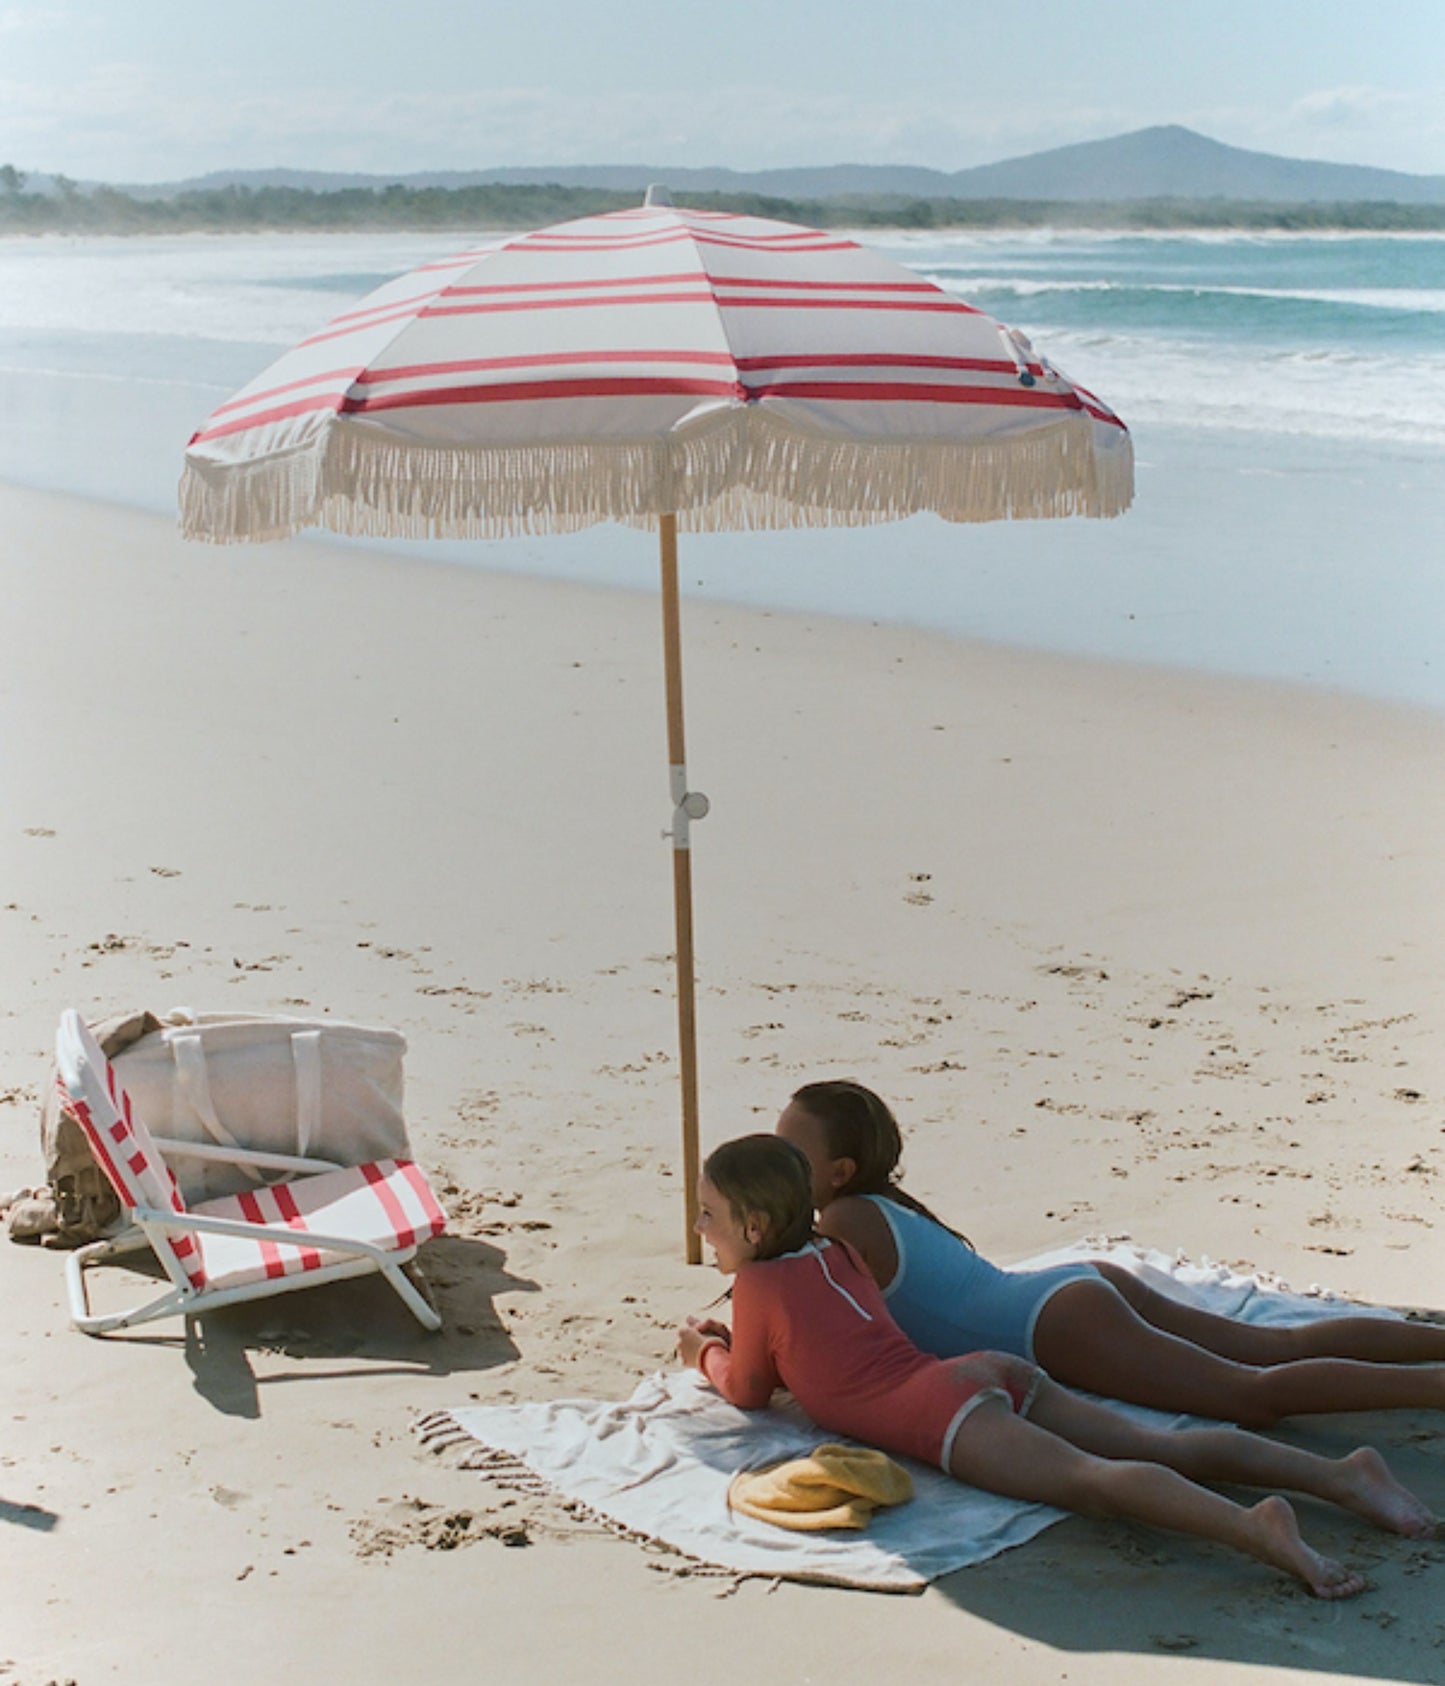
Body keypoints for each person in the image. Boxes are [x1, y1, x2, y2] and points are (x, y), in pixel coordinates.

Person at [678, 1134, 1435, 1600]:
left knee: (1094, 1483)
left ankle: (1253, 1527)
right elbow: (823, 1345)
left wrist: (704, 1351)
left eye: (707, 1213)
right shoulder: (834, 1251)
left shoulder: (757, 1286)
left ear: (751, 1225)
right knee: (1162, 1446)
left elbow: (749, 1387)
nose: (699, 1227)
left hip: (938, 1411)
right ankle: (1337, 1475)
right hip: (983, 1369)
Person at [776, 1079, 1445, 1424]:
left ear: (838, 1169)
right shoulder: (875, 1204)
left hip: (1055, 1323)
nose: (775, 1160)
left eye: (789, 1149)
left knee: (1252, 1395)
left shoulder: (843, 1222)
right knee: (1269, 1349)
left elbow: (825, 1331)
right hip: (1064, 1293)